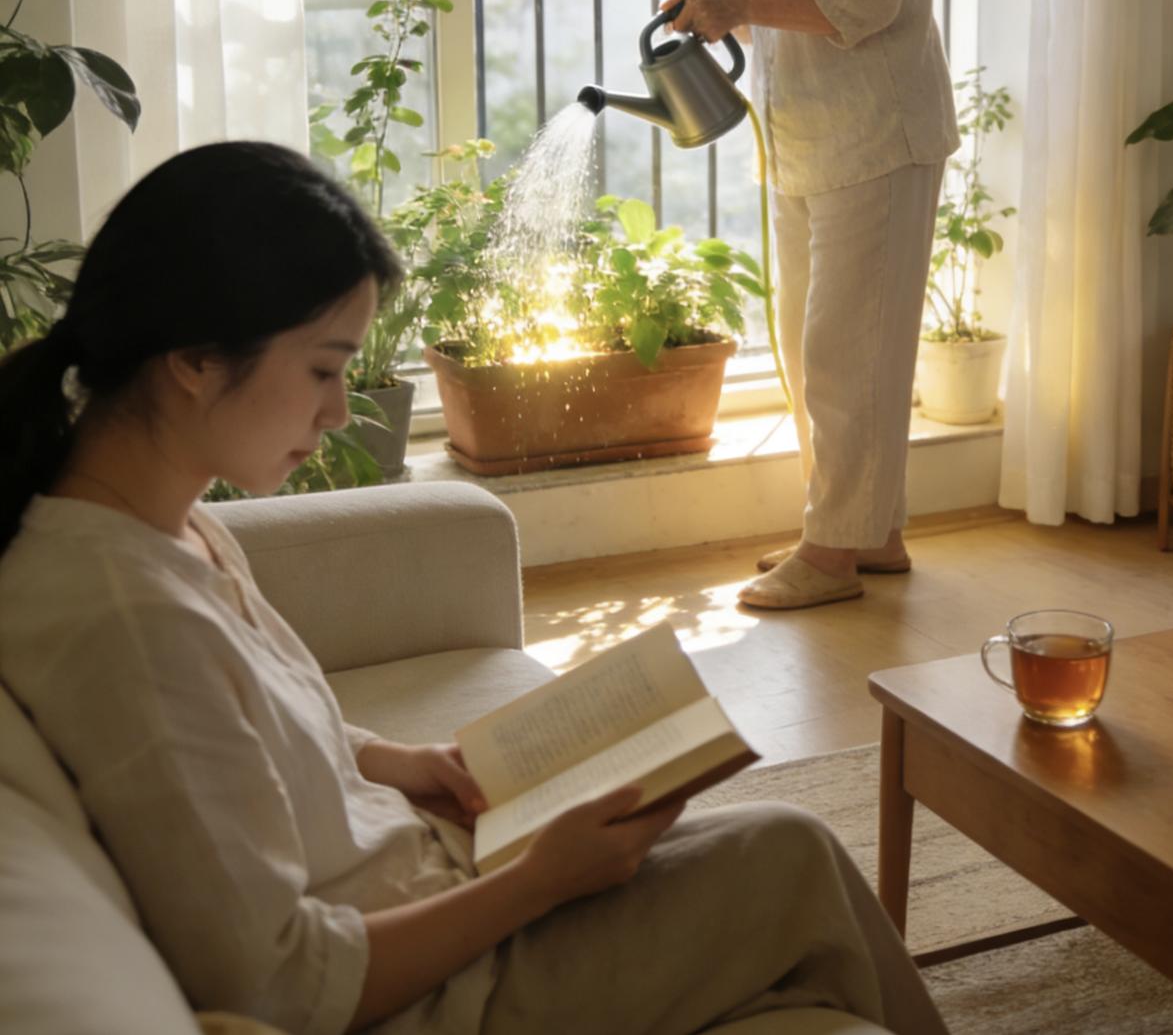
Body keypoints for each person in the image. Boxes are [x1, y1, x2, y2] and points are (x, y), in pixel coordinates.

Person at [0, 140, 948, 1035]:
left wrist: (397, 760)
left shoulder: (163, 522)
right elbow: (277, 983)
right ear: (196, 361)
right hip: (441, 993)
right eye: (323, 368)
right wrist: (540, 881)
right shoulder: (124, 618)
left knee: (775, 856)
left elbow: (247, 728)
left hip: (434, 875)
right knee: (790, 858)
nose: (339, 411)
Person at [648, 0, 960, 611]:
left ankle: (831, 553)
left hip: (877, 134)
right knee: (811, 343)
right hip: (803, 136)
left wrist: (740, 3)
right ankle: (872, 533)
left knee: (846, 353)